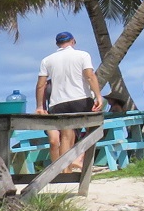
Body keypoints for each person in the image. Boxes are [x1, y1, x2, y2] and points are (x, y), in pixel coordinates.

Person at [36, 31, 103, 160]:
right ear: (73, 41)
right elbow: (89, 76)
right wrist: (98, 96)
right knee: (92, 129)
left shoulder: (46, 60)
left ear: (57, 44)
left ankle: (65, 170)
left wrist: (40, 106)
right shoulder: (83, 55)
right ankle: (81, 159)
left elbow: (40, 85)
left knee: (66, 136)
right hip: (81, 100)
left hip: (58, 103)